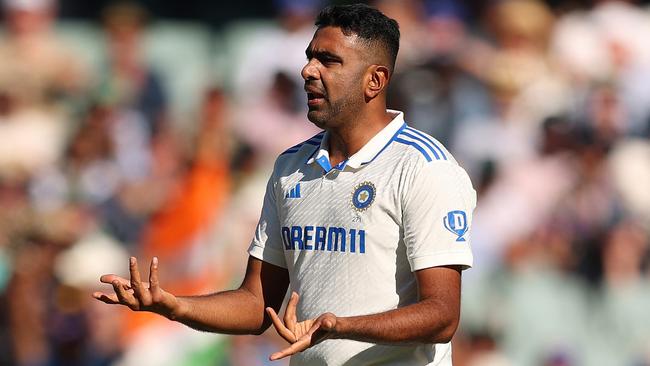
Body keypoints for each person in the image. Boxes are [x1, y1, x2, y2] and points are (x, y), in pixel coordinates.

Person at [93, 4, 476, 365]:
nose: (308, 70)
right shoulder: (291, 166)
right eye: (310, 57)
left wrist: (342, 327)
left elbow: (442, 315)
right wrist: (174, 306)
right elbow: (258, 302)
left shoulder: (424, 167)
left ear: (374, 80)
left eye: (328, 60)